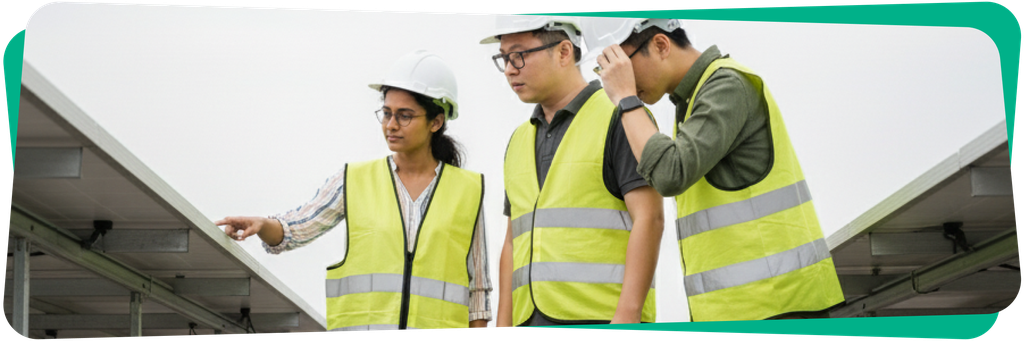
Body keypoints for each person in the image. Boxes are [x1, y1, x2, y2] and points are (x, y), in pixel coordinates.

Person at [582, 17, 846, 322]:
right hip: (744, 309)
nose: (613, 80)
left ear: (661, 45)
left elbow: (669, 174)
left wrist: (627, 99)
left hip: (779, 305)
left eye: (620, 65)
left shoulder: (727, 86)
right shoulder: (692, 101)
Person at [215, 50, 492, 331]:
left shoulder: (468, 190)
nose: (391, 125)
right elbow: (297, 229)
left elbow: (478, 291)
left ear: (436, 121)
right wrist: (263, 224)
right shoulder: (354, 180)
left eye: (405, 116)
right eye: (386, 113)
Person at [479, 16, 664, 327]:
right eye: (504, 58)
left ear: (564, 52)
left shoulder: (621, 118)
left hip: (601, 317)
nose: (510, 69)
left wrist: (627, 317)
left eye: (519, 55)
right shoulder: (519, 139)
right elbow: (512, 241)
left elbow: (650, 218)